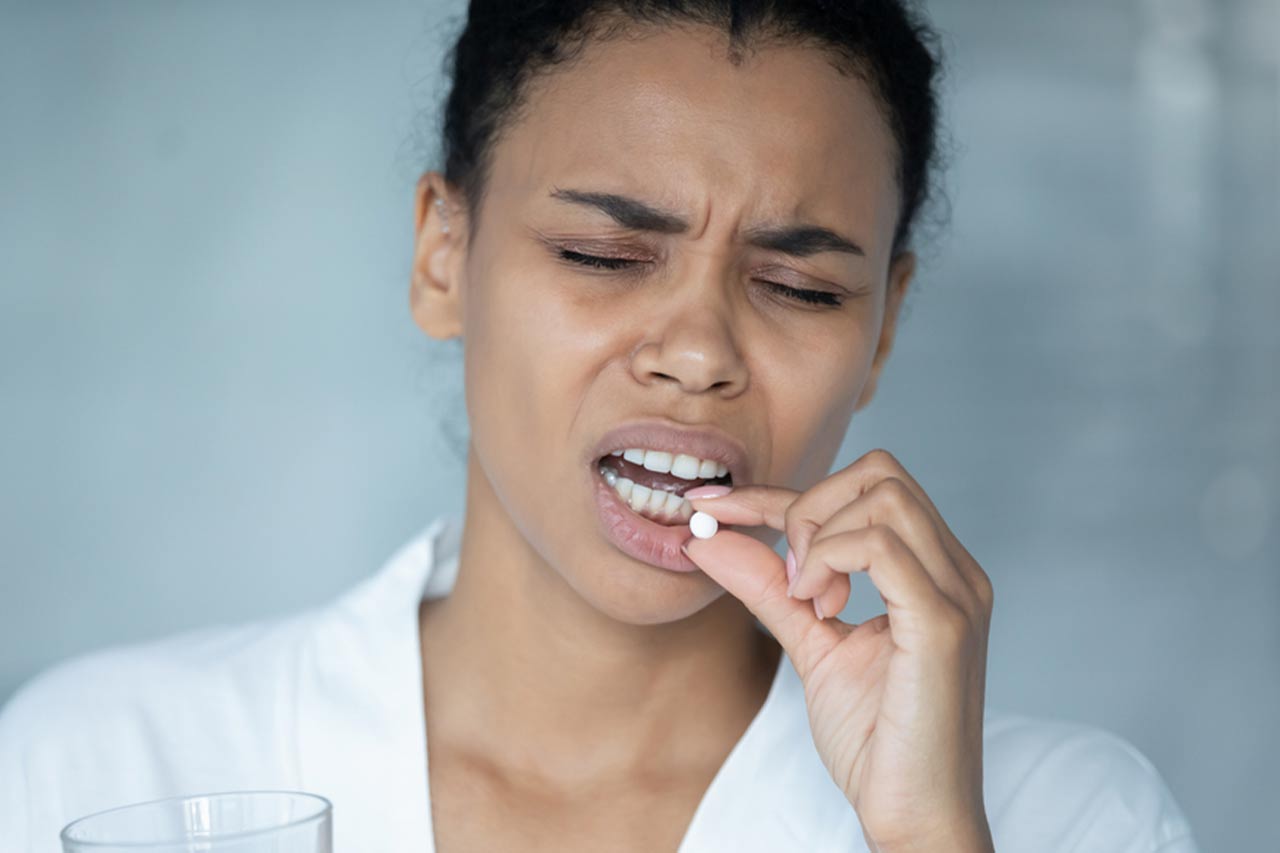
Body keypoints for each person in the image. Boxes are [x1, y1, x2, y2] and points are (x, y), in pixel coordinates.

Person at [0, 1, 1202, 851]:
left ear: (881, 329)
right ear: (441, 253)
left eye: (799, 288)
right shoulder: (98, 764)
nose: (696, 351)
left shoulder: (1064, 816)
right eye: (600, 253)